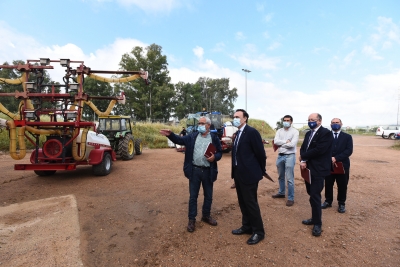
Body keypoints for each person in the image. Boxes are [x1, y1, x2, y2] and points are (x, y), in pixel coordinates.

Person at [160, 116, 222, 232]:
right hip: (195, 171)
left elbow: (219, 152)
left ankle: (206, 216)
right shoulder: (192, 136)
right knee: (193, 197)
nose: (200, 125)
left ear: (208, 125)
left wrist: (215, 157)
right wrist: (170, 134)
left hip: (208, 171)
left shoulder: (214, 138)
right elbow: (180, 140)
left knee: (208, 196)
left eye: (202, 123)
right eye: (199, 123)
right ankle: (191, 220)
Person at [230, 109, 267, 245]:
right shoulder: (238, 134)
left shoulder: (252, 132)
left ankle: (258, 232)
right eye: (234, 117)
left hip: (250, 174)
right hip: (239, 173)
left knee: (251, 203)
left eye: (237, 117)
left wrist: (260, 171)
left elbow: (260, 154)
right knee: (243, 201)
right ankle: (247, 226)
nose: (235, 119)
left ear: (245, 118)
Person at [299, 113, 333, 237]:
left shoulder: (326, 133)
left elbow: (319, 150)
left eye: (312, 120)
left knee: (315, 195)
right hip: (307, 169)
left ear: (319, 121)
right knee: (311, 194)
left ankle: (317, 223)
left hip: (318, 169)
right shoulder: (308, 133)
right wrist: (303, 160)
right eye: (308, 120)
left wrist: (304, 157)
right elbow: (303, 148)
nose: (310, 122)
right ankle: (314, 218)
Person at [322, 118, 353, 213]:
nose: (335, 124)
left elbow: (349, 150)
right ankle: (328, 201)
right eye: (333, 123)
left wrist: (336, 158)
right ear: (330, 124)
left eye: (337, 123)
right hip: (328, 164)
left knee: (342, 185)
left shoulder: (347, 137)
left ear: (341, 124)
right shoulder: (326, 136)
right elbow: (322, 149)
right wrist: (329, 158)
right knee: (328, 184)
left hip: (342, 165)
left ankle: (341, 203)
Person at [272, 115, 299, 206]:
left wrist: (281, 143)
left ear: (291, 122)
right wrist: (286, 142)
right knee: (280, 176)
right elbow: (275, 141)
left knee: (290, 178)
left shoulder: (295, 132)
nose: (286, 122)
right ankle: (281, 192)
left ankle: (291, 198)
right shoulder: (279, 131)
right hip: (280, 156)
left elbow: (292, 144)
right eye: (284, 120)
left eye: (288, 120)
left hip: (290, 156)